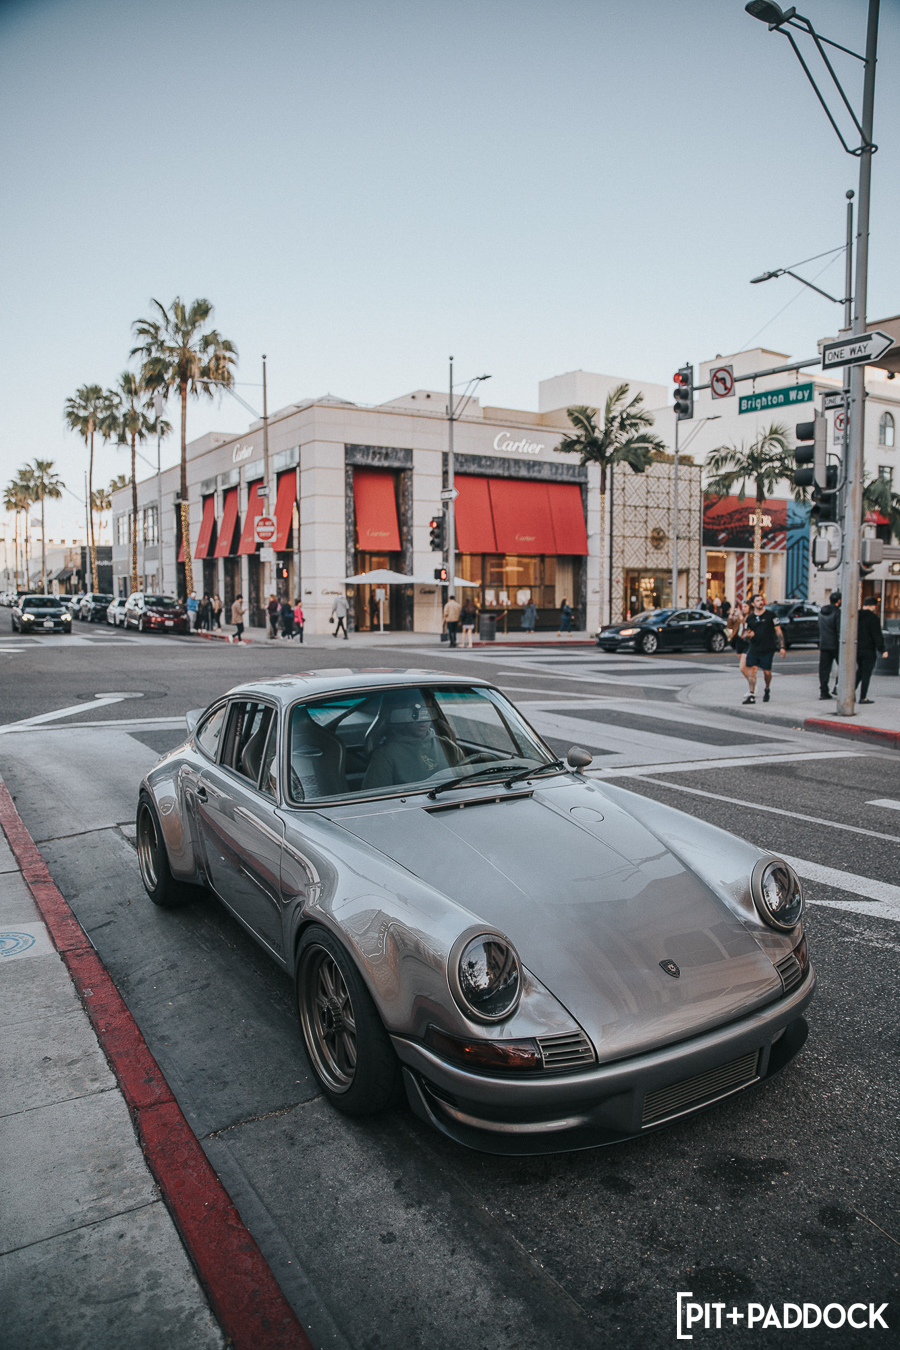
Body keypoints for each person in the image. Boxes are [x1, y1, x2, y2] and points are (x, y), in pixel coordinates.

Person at [363, 694, 459, 789]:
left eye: (426, 712)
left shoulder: (447, 745)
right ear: (399, 715)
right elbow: (375, 800)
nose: (422, 720)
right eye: (414, 713)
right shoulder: (385, 755)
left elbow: (468, 777)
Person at [742, 593, 786, 704]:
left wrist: (782, 647)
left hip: (767, 648)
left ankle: (767, 688)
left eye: (761, 600)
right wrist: (748, 635)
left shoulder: (771, 616)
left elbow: (778, 631)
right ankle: (751, 694)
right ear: (753, 603)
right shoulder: (750, 618)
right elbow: (745, 634)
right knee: (752, 671)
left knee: (767, 672)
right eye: (757, 601)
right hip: (754, 647)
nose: (760, 602)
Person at [857, 595, 888, 703]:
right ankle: (863, 697)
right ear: (873, 606)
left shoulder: (856, 615)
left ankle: (850, 691)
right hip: (868, 649)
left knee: (860, 671)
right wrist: (882, 649)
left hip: (857, 648)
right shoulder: (873, 618)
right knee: (866, 673)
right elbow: (877, 635)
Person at [818, 591, 841, 699]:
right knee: (844, 667)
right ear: (839, 601)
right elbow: (839, 630)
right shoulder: (837, 613)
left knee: (824, 669)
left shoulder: (821, 612)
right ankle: (837, 687)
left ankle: (823, 691)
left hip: (824, 643)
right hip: (836, 644)